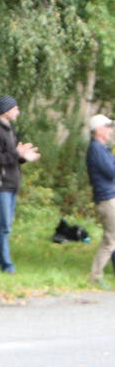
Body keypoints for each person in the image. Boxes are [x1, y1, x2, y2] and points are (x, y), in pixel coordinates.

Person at [0, 94, 40, 274]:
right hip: (0, 184)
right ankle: (6, 264)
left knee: (2, 226)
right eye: (15, 108)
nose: (18, 112)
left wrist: (23, 157)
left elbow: (12, 155)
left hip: (11, 182)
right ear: (5, 111)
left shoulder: (9, 129)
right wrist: (17, 154)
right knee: (4, 226)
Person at [85, 114, 115, 288]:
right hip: (106, 199)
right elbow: (111, 172)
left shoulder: (103, 148)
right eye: (108, 127)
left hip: (110, 197)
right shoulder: (96, 148)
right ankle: (95, 275)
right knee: (110, 240)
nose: (111, 130)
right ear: (98, 130)